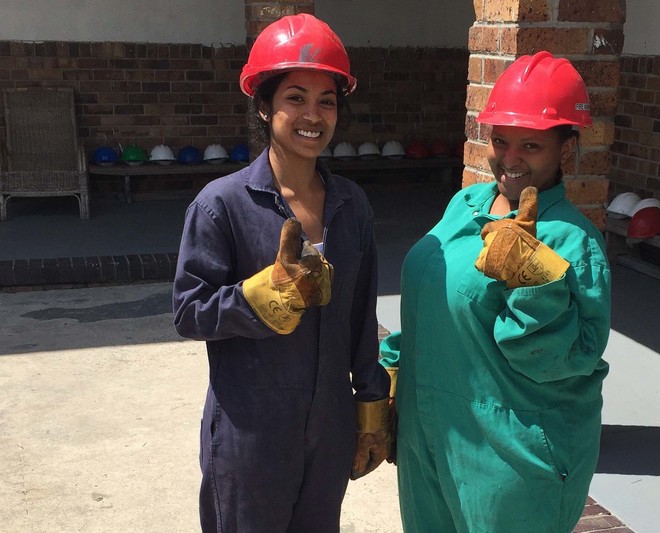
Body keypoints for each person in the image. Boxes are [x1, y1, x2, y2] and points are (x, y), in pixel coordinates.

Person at [172, 14, 391, 533]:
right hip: (251, 432)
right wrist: (259, 297)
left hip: (329, 426)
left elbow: (362, 318)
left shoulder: (351, 206)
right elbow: (188, 311)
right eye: (296, 97)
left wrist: (371, 406)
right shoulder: (221, 206)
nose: (313, 114)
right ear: (265, 106)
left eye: (327, 100)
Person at [379, 51, 612, 532]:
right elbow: (431, 300)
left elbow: (558, 360)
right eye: (501, 140)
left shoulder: (571, 240)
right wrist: (390, 372)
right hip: (431, 433)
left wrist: (534, 280)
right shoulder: (467, 205)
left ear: (565, 150)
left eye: (531, 145)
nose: (510, 159)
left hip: (511, 454)